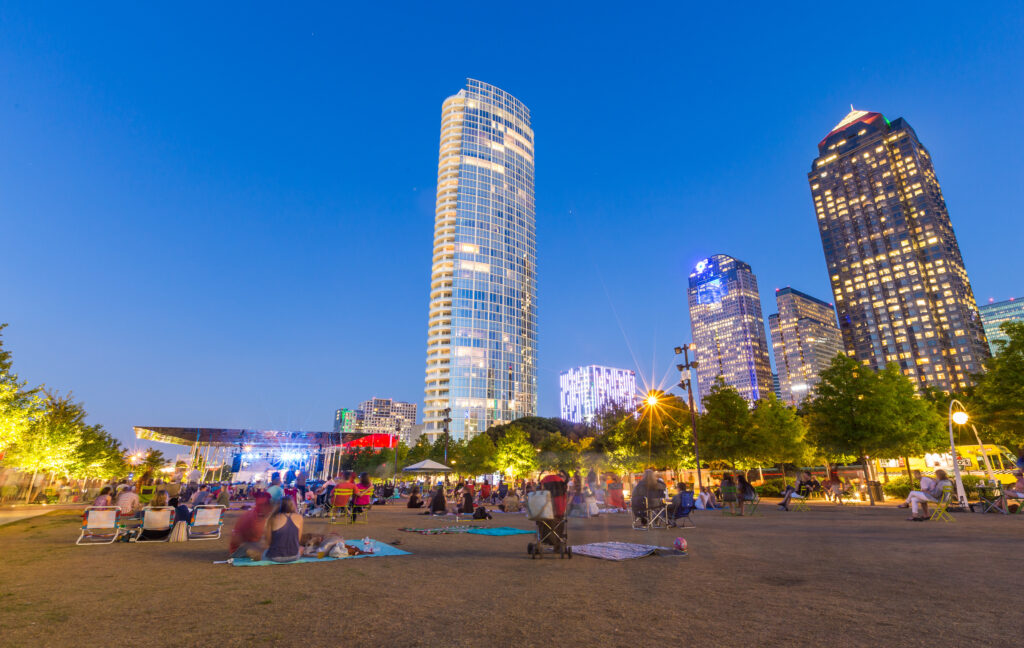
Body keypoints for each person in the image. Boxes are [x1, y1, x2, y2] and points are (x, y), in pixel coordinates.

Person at [229, 492, 273, 558]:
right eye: (259, 505)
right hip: (241, 549)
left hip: (252, 545)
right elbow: (236, 538)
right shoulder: (251, 517)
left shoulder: (262, 515)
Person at [261, 496, 303, 562]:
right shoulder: (299, 517)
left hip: (275, 557)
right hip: (294, 556)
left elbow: (268, 541)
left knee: (263, 552)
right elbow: (298, 539)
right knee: (301, 548)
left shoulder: (272, 518)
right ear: (293, 505)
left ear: (278, 506)